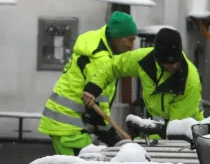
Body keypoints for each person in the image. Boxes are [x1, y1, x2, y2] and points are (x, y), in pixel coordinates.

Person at [38, 11, 139, 155]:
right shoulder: (101, 60)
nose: (131, 46)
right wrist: (112, 136)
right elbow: (98, 104)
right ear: (116, 38)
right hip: (68, 126)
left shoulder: (97, 45)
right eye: (129, 39)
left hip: (67, 123)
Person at [81, 27, 204, 127]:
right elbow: (113, 66)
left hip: (187, 132)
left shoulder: (189, 81)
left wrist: (153, 132)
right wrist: (93, 88)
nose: (175, 65)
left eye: (177, 61)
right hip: (158, 126)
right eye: (170, 62)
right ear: (158, 60)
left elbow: (176, 129)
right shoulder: (144, 60)